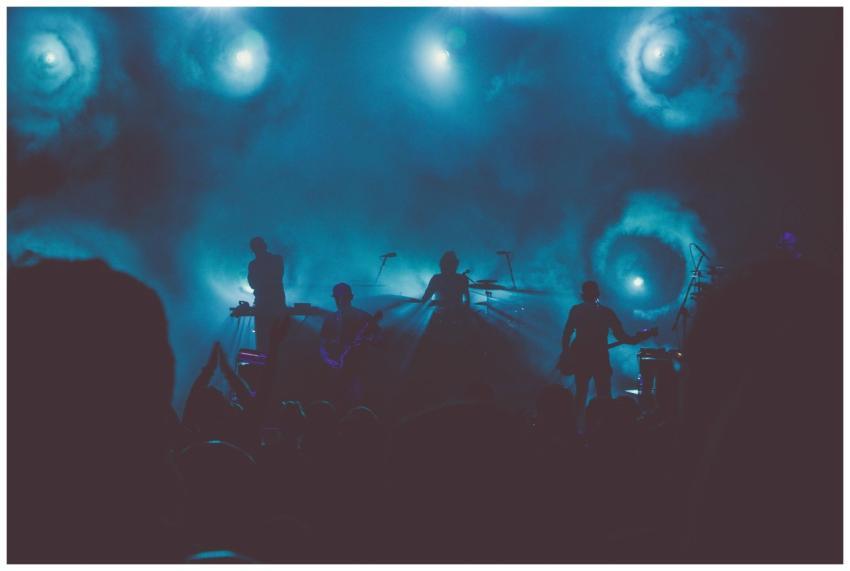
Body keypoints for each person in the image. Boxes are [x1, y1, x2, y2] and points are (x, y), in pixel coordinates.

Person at [559, 281, 640, 417]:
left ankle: (577, 427)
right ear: (598, 294)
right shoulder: (606, 312)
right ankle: (604, 427)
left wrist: (567, 354)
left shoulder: (577, 310)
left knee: (581, 394)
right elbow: (622, 336)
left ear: (582, 294)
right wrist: (637, 338)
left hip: (582, 358)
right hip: (599, 359)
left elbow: (566, 334)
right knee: (603, 396)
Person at [319, 283, 380, 407]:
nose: (340, 301)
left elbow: (379, 340)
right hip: (335, 370)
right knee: (333, 402)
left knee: (356, 403)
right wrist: (328, 360)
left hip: (357, 370)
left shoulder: (364, 317)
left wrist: (367, 339)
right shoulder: (330, 319)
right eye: (337, 298)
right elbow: (322, 344)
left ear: (351, 297)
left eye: (343, 298)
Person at [247, 237, 287, 355]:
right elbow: (255, 283)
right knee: (273, 340)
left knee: (266, 341)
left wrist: (261, 282)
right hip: (272, 304)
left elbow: (254, 283)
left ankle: (268, 367)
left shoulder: (255, 264)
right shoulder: (276, 260)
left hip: (268, 305)